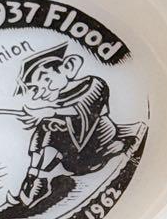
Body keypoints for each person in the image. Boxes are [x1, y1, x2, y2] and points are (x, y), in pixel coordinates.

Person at [8, 43, 126, 209]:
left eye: (47, 79)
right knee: (45, 127)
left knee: (50, 126)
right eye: (39, 87)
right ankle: (32, 178)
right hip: (71, 155)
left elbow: (86, 108)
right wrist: (49, 118)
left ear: (68, 67)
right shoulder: (60, 100)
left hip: (96, 144)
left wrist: (51, 113)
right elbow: (65, 118)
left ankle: (40, 180)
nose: (44, 89)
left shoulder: (94, 84)